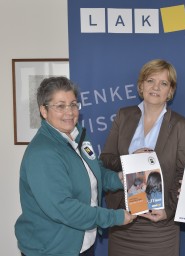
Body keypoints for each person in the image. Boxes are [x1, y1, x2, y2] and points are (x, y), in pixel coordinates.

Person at [14, 76, 136, 256]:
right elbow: (64, 208)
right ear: (44, 111)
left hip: (83, 243)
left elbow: (94, 172)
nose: (69, 112)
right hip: (53, 249)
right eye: (60, 106)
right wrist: (114, 217)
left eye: (73, 104)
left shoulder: (78, 136)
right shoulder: (43, 153)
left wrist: (122, 178)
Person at [99, 59, 185, 256]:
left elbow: (183, 174)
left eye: (164, 83)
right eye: (151, 80)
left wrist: (169, 211)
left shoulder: (182, 126)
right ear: (141, 85)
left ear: (171, 91)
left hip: (160, 226)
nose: (156, 87)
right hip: (123, 220)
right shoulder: (123, 116)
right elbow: (107, 158)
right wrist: (132, 159)